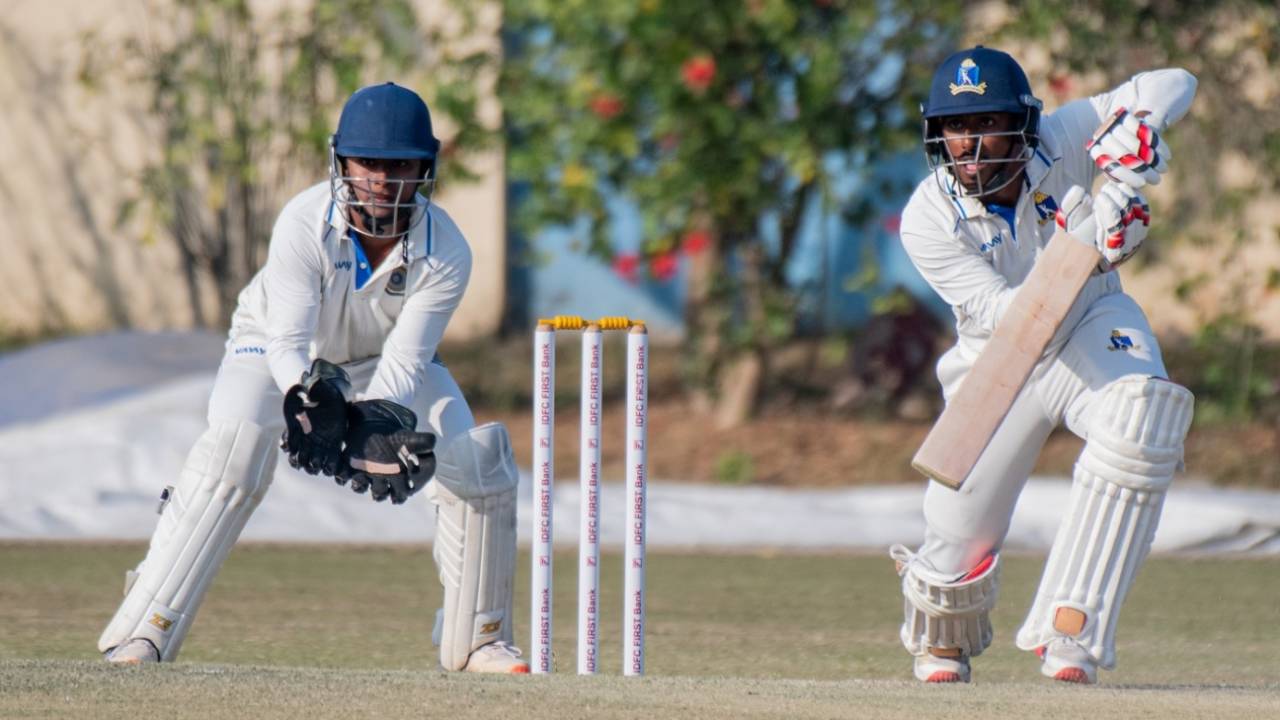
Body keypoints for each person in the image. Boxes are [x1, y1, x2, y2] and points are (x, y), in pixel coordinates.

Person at [98, 82, 529, 674]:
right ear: (341, 160)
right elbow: (287, 342)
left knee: (474, 455)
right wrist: (312, 397)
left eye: (400, 164)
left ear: (424, 168)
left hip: (381, 362)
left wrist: (371, 422)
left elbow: (407, 358)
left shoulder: (447, 248)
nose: (382, 178)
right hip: (272, 350)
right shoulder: (303, 221)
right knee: (235, 448)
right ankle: (145, 625)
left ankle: (480, 636)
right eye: (368, 162)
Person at [891, 47, 1197, 684]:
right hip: (999, 355)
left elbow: (1174, 80)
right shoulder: (927, 216)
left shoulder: (1066, 134)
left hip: (1091, 320)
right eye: (954, 128)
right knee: (953, 539)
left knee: (1143, 415)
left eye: (985, 126)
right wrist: (1099, 236)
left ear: (1025, 123)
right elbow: (1016, 318)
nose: (968, 146)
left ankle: (1072, 629)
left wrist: (1140, 126)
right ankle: (944, 637)